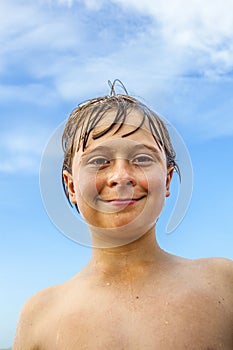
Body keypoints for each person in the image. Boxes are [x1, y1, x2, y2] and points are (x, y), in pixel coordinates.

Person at [13, 81, 233, 349]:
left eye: (141, 159)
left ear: (166, 181)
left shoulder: (223, 284)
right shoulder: (39, 317)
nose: (120, 177)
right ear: (71, 186)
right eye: (98, 161)